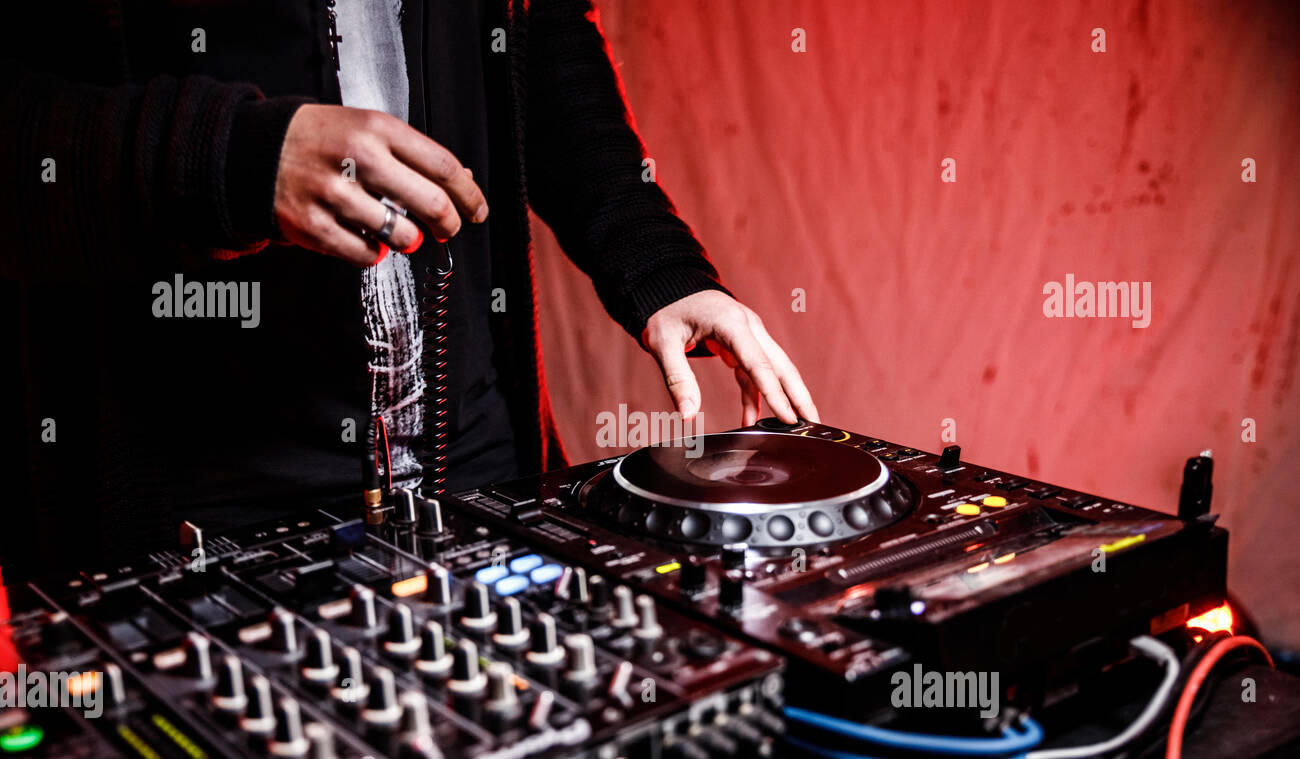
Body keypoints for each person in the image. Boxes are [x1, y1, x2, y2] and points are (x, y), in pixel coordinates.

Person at [0, 0, 817, 579]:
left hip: (478, 471)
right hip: (197, 511)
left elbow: (542, 37)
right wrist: (234, 159)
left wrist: (656, 266)